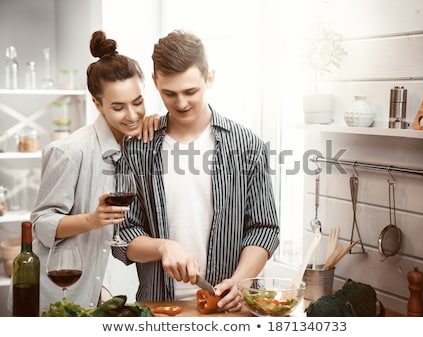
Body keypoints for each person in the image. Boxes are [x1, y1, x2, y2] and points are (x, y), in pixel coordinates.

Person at [112, 30, 280, 312]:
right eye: (169, 93)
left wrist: (240, 282)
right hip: (159, 308)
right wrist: (162, 246)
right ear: (155, 83)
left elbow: (263, 229)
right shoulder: (137, 148)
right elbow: (124, 234)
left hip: (232, 309)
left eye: (191, 91)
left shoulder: (246, 144)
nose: (181, 103)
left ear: (209, 78)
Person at [23, 30, 158, 313]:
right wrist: (91, 220)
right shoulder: (70, 152)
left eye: (138, 102)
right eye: (118, 107)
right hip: (63, 292)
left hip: (108, 290)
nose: (133, 115)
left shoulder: (139, 145)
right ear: (97, 104)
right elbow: (41, 223)